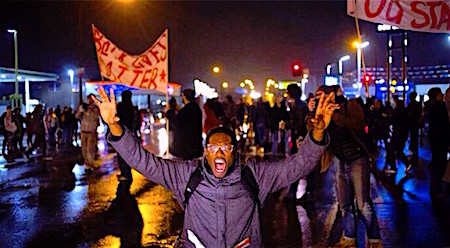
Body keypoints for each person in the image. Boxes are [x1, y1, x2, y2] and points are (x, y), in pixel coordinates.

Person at [92, 86, 338, 247]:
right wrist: (115, 126)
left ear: (234, 153)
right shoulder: (187, 175)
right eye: (213, 148)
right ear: (205, 152)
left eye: (226, 148)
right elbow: (143, 161)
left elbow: (298, 165)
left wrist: (317, 133)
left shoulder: (254, 176)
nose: (219, 152)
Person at [317, 86, 383, 248]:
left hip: (357, 158)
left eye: (321, 96)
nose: (319, 99)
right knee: (344, 204)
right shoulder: (321, 112)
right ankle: (349, 238)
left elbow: (358, 123)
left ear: (331, 94)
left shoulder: (350, 104)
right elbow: (314, 131)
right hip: (340, 159)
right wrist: (314, 115)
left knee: (362, 204)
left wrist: (334, 115)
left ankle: (375, 241)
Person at [426, 87, 450, 196]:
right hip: (441, 138)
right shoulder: (440, 106)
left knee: (437, 162)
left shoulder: (431, 106)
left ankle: (435, 186)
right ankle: (437, 187)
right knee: (440, 162)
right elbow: (443, 124)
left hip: (435, 138)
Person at [170, 89, 203, 160]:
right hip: (194, 146)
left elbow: (176, 124)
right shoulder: (196, 109)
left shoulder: (186, 111)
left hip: (185, 147)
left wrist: (170, 113)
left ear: (185, 97)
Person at [76, 94, 100, 171]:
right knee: (84, 149)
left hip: (91, 131)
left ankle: (91, 164)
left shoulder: (95, 108)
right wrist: (80, 111)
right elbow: (77, 116)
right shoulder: (83, 107)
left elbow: (95, 116)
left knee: (90, 149)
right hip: (83, 130)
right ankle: (87, 163)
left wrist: (88, 109)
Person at [116, 90, 136, 183]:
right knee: (127, 153)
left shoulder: (121, 106)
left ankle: (125, 173)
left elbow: (118, 118)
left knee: (121, 154)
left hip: (121, 132)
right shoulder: (131, 107)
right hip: (129, 132)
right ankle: (127, 172)